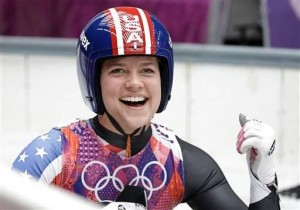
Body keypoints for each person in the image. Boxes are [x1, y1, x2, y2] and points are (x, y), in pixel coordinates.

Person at [12, 6, 281, 210]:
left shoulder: (179, 162)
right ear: (92, 81)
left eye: (147, 70)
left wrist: (263, 178)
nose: (135, 83)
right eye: (118, 70)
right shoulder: (52, 156)